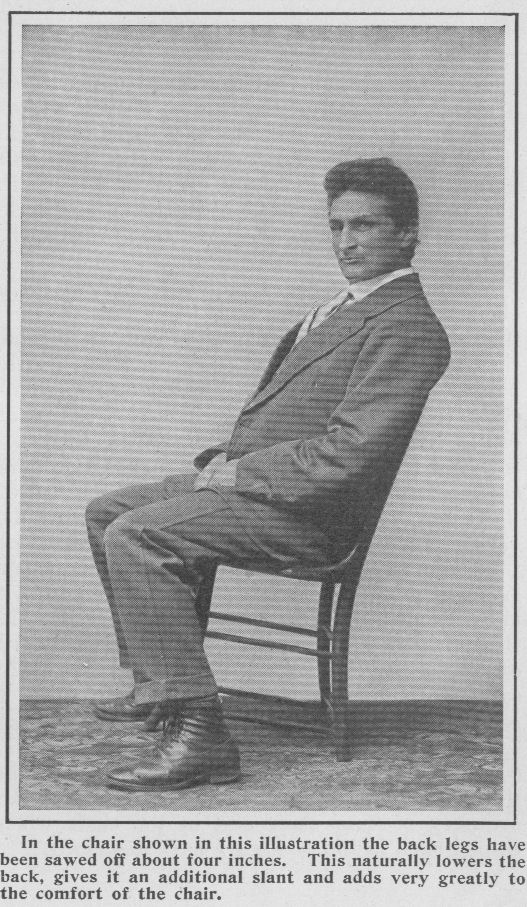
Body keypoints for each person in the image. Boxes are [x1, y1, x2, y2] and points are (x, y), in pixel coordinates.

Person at [85, 157, 450, 792]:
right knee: (107, 512)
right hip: (267, 489)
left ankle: (202, 738)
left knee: (137, 534)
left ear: (407, 234)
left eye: (364, 225)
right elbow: (288, 419)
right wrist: (225, 460)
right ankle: (160, 684)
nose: (346, 241)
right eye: (336, 226)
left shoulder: (408, 327)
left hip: (311, 517)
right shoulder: (347, 307)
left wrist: (240, 474)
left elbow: (348, 456)